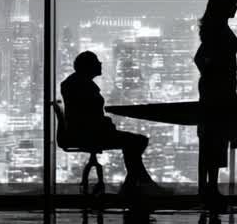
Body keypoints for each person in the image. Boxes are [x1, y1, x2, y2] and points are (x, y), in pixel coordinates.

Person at [60, 51, 169, 196]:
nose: (100, 63)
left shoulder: (76, 83)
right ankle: (138, 185)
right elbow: (89, 117)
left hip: (85, 132)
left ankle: (136, 185)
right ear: (88, 66)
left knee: (136, 142)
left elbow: (87, 115)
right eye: (96, 61)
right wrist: (107, 124)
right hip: (89, 134)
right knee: (138, 141)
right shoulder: (83, 86)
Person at [194, 0, 237, 208]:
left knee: (210, 140)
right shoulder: (218, 30)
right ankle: (209, 189)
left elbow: (200, 58)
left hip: (214, 90)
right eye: (234, 3)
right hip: (219, 92)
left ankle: (207, 189)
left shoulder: (214, 28)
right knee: (213, 139)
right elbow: (202, 58)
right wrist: (220, 73)